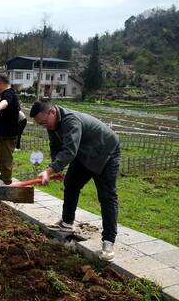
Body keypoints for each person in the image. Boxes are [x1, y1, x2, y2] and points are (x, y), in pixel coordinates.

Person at [29, 98, 120, 262]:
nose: (45, 127)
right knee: (71, 183)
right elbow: (56, 148)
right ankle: (67, 223)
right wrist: (55, 168)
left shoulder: (71, 121)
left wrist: (48, 171)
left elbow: (70, 151)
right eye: (41, 125)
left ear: (52, 112)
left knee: (107, 197)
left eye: (44, 123)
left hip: (105, 152)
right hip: (84, 153)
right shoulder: (52, 124)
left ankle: (108, 241)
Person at [0, 74, 20, 188]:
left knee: (5, 157)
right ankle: (3, 177)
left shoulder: (8, 93)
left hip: (7, 134)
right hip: (7, 132)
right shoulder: (11, 93)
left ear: (0, 83)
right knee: (4, 156)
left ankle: (6, 181)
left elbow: (5, 102)